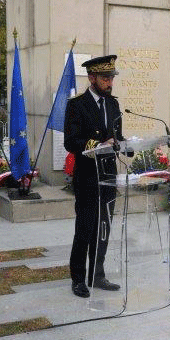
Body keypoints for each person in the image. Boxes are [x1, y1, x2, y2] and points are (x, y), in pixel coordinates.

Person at [64, 55, 124, 298]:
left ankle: (97, 275)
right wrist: (98, 145)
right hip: (88, 177)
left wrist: (124, 143)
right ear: (92, 78)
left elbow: (117, 135)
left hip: (108, 175)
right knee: (85, 229)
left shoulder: (113, 104)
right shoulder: (77, 104)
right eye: (105, 78)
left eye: (111, 78)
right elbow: (71, 141)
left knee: (103, 228)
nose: (110, 82)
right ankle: (78, 278)